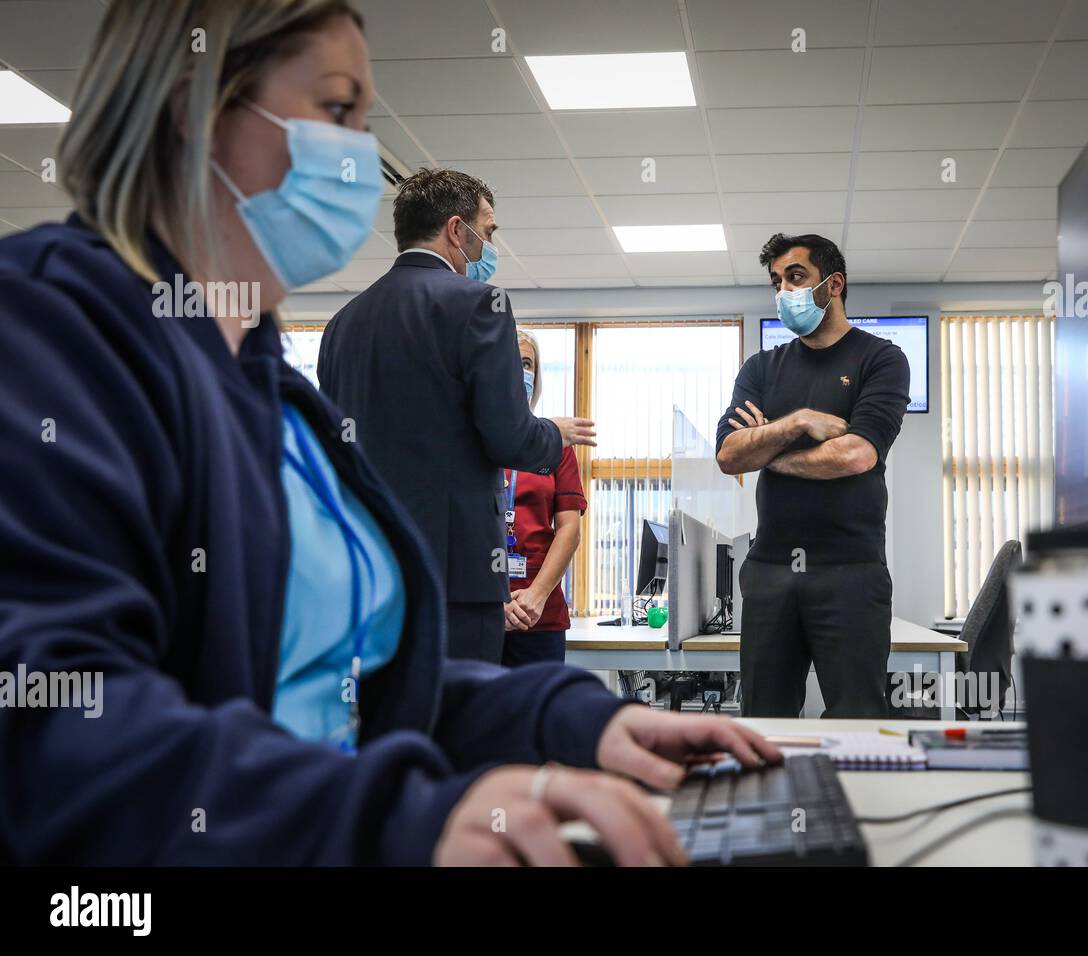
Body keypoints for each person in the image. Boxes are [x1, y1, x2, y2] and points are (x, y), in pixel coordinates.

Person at [0, 0, 780, 867]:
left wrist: (571, 716)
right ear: (192, 112)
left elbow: (353, 690)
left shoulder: (274, 390)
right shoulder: (43, 329)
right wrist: (392, 817)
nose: (359, 156)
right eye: (338, 111)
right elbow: (52, 724)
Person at [317, 167, 594, 665]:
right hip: (457, 577)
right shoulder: (477, 304)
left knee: (389, 726)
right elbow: (509, 438)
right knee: (465, 727)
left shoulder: (342, 324)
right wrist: (553, 432)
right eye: (486, 232)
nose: (489, 246)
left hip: (368, 574)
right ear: (454, 230)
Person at [715, 234, 910, 719]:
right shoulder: (761, 368)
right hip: (769, 571)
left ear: (833, 284)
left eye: (796, 277)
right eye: (776, 282)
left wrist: (768, 452)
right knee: (764, 721)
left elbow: (855, 455)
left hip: (851, 572)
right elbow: (728, 454)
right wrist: (798, 422)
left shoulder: (881, 360)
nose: (783, 291)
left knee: (857, 720)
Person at [502, 330, 586, 666]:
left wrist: (536, 596)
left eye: (527, 364)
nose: (521, 371)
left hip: (540, 614)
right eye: (513, 363)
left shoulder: (555, 445)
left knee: (539, 717)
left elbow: (570, 529)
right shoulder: (471, 442)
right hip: (481, 613)